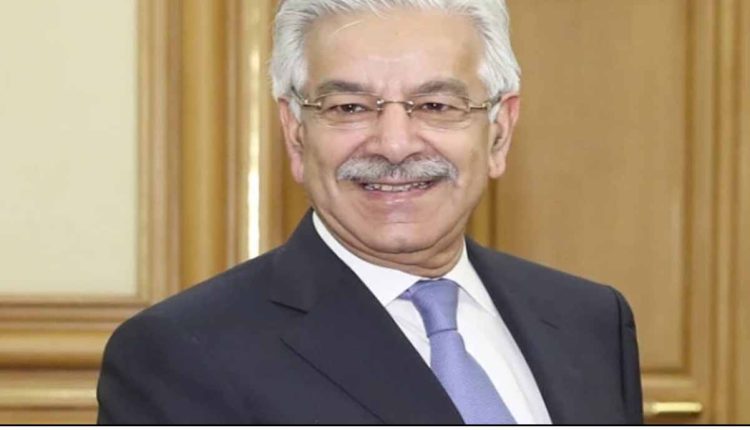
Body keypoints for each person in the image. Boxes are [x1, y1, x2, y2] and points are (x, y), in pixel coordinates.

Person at [96, 0, 643, 424]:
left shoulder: (590, 321)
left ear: (499, 132)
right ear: (295, 134)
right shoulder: (182, 354)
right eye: (349, 107)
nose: (395, 144)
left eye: (436, 105)